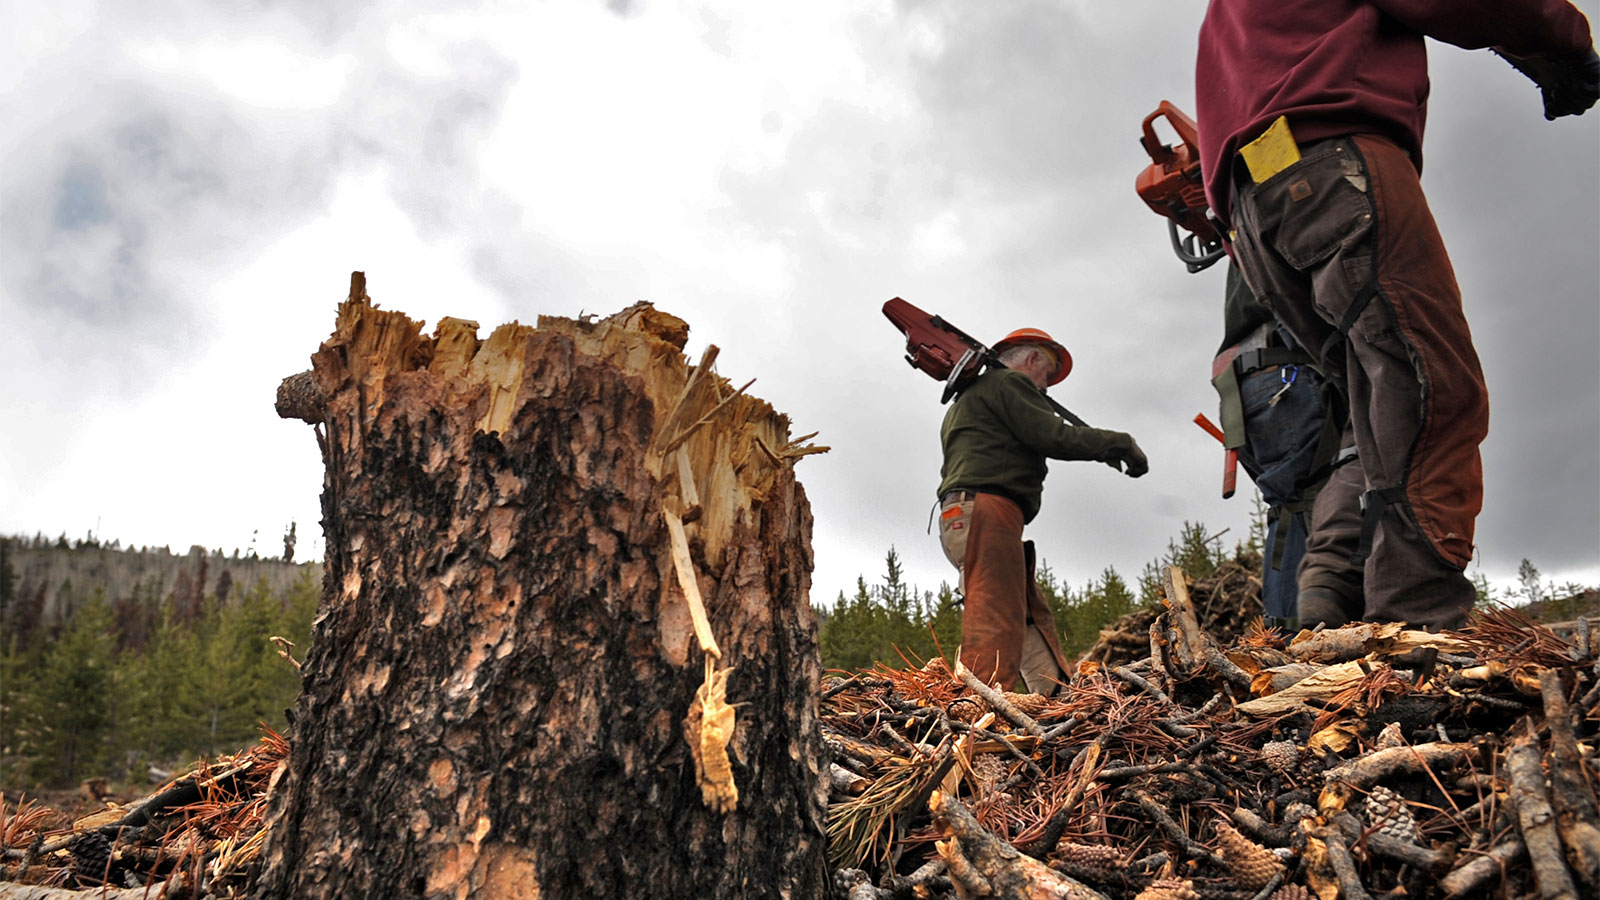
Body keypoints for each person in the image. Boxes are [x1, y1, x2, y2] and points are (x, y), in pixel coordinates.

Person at [1195, 0, 1598, 631]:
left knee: (1372, 410)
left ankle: (1329, 598)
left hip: (1255, 208)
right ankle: (1421, 618)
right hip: (1329, 161)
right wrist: (1566, 43)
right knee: (1428, 384)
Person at [936, 328, 1148, 693]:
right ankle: (977, 707)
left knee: (1026, 612)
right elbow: (1054, 436)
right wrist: (1121, 443)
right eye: (1047, 375)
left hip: (964, 515)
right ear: (1032, 359)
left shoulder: (970, 399)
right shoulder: (1007, 384)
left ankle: (1054, 697)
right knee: (995, 617)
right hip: (989, 510)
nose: (1047, 388)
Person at [1211, 263, 1345, 631]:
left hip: (1248, 389)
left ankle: (1281, 634)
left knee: (1288, 508)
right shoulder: (1279, 215)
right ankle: (1303, 634)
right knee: (1313, 500)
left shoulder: (1238, 222)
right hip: (1287, 373)